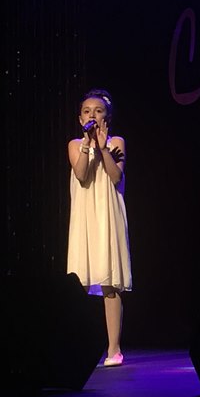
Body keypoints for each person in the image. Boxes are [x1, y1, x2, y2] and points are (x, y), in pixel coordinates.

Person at [66, 88, 132, 367]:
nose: (92, 115)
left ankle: (114, 349)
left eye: (98, 110)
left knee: (109, 280)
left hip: (107, 214)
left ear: (107, 117)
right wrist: (87, 144)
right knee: (79, 280)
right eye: (87, 111)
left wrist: (103, 148)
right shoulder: (74, 145)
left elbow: (115, 176)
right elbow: (81, 175)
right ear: (80, 118)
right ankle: (77, 348)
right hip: (85, 216)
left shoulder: (116, 142)